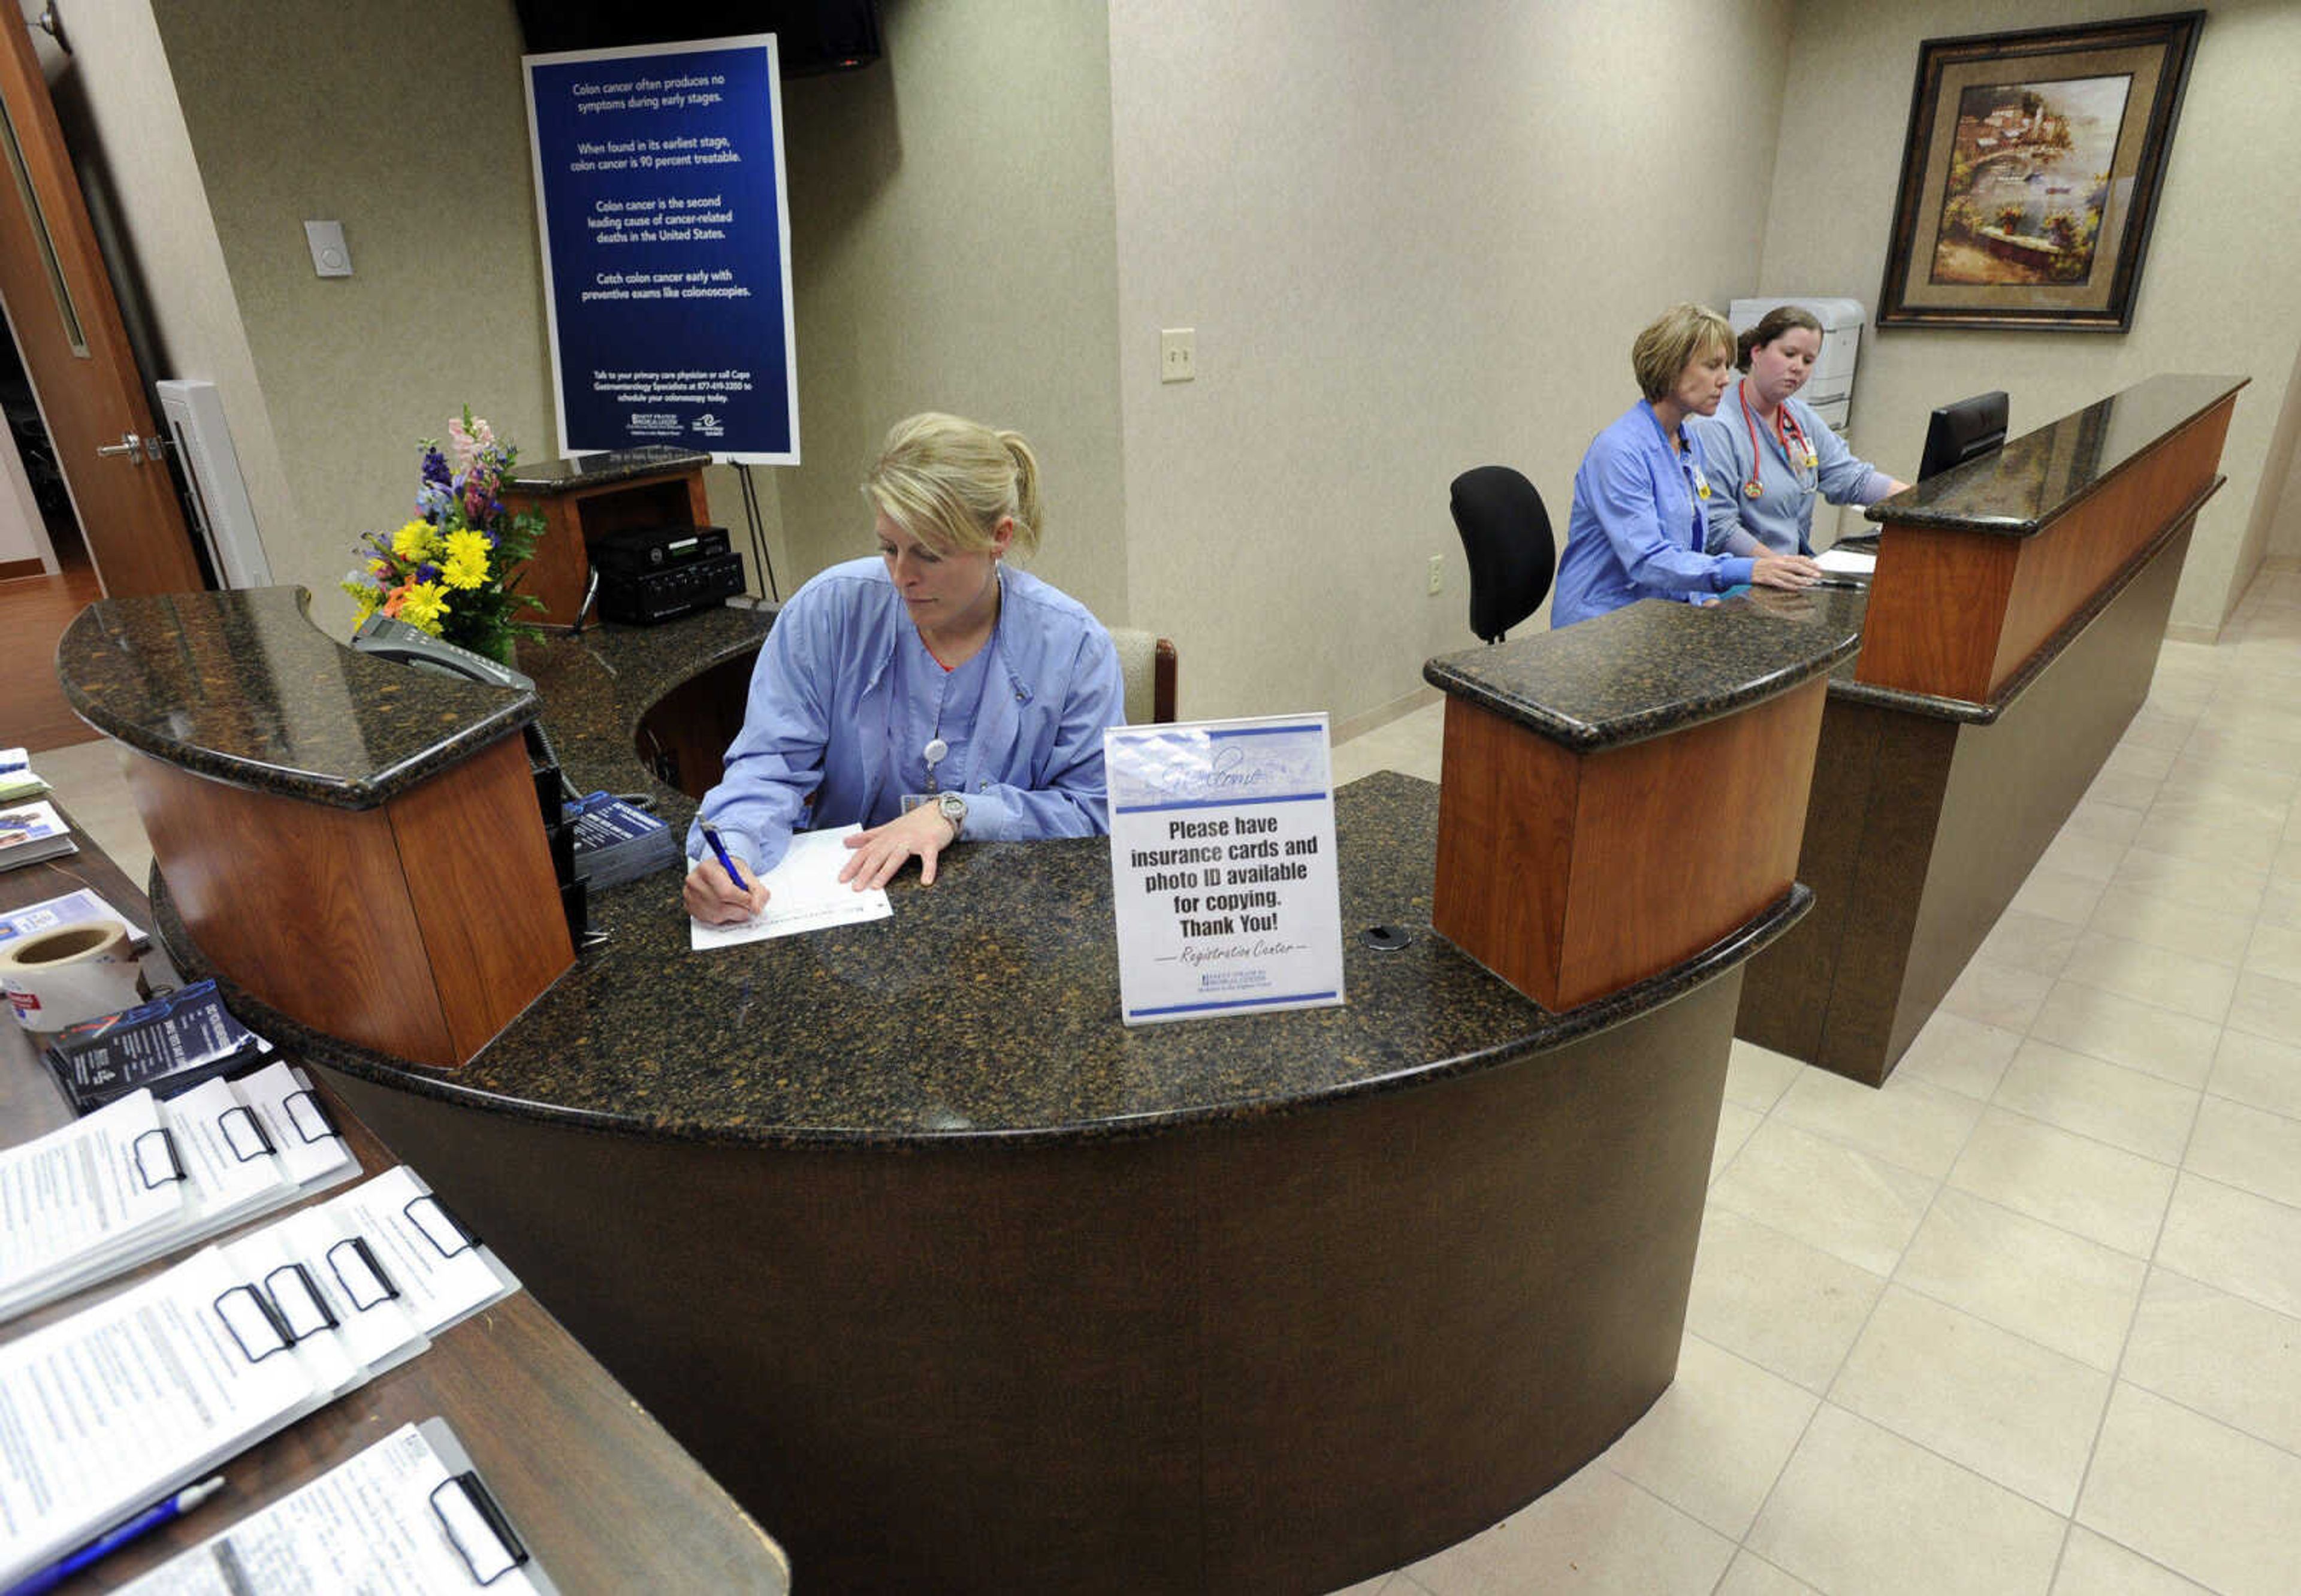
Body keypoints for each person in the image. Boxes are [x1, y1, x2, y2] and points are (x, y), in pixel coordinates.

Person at [683, 412, 1126, 925]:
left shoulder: (1073, 646)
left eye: (929, 555)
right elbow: (768, 767)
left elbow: (1094, 811)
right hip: (846, 911)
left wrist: (956, 813)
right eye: (889, 548)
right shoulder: (828, 612)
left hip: (1006, 929)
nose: (902, 577)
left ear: (999, 537)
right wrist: (731, 854)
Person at [1550, 303, 1822, 628]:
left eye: (1727, 367)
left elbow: (1685, 547)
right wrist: (1747, 569)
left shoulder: (1690, 442)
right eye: (1712, 366)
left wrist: (1705, 602)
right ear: (1671, 367)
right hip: (1600, 626)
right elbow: (1648, 560)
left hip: (1658, 616)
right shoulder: (1619, 451)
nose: (1724, 380)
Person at [1690, 305, 1909, 557]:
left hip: (1792, 567)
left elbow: (1850, 477)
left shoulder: (1798, 417)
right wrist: (1779, 567)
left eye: (1808, 360)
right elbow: (1718, 528)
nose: (1798, 367)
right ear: (1757, 352)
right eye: (1789, 354)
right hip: (1742, 577)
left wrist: (1917, 501)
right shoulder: (1715, 427)